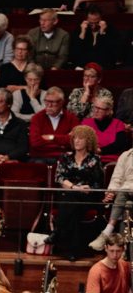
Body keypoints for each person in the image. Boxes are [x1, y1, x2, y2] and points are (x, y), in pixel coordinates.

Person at [52, 125, 106, 260]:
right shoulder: (66, 157)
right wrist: (74, 187)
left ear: (88, 141)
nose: (76, 141)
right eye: (75, 138)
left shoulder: (95, 159)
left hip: (88, 197)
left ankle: (58, 233)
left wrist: (87, 188)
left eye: (81, 138)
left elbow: (98, 183)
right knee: (73, 206)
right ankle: (74, 251)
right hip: (69, 193)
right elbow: (59, 177)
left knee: (71, 203)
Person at [90, 150, 133, 251]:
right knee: (126, 203)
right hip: (126, 193)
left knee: (124, 194)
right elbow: (116, 178)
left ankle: (107, 232)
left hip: (126, 191)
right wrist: (111, 192)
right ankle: (123, 253)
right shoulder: (126, 155)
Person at [69, 5, 121, 70]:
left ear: (101, 19)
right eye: (91, 23)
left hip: (103, 65)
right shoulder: (79, 29)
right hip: (83, 65)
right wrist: (82, 33)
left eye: (96, 23)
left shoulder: (111, 30)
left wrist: (102, 33)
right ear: (86, 19)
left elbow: (111, 54)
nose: (93, 26)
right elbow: (74, 53)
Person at [28, 87, 74, 158]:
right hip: (40, 157)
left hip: (63, 158)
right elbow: (35, 142)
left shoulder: (71, 118)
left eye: (52, 102)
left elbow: (74, 141)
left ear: (62, 102)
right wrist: (61, 142)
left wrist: (52, 137)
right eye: (46, 101)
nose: (49, 105)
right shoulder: (37, 118)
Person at [84, 94, 130, 158]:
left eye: (99, 108)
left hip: (111, 159)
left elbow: (120, 144)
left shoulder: (118, 123)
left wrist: (100, 150)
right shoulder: (86, 123)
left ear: (108, 111)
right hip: (90, 158)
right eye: (95, 107)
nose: (96, 111)